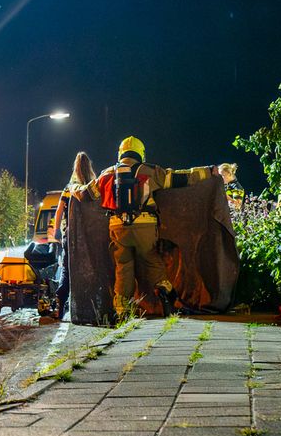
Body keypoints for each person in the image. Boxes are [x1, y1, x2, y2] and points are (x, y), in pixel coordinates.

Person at [81, 135, 216, 316]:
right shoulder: (151, 171)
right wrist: (209, 171)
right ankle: (167, 298)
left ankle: (122, 312)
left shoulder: (107, 174)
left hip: (118, 227)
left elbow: (86, 195)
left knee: (123, 268)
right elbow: (180, 178)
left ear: (120, 153)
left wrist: (72, 188)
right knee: (153, 263)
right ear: (141, 153)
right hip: (145, 226)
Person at [51, 151, 96, 319]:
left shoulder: (69, 188)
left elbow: (59, 211)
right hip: (89, 237)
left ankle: (60, 305)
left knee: (68, 270)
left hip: (69, 236)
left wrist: (57, 230)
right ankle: (88, 307)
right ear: (89, 167)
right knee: (90, 268)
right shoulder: (92, 186)